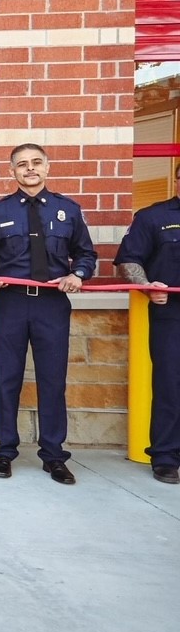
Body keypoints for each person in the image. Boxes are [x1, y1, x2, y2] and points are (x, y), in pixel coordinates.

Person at [0, 143, 96, 485]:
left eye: (36, 163)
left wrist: (78, 275)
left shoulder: (68, 210)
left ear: (47, 168)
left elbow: (86, 254)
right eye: (22, 165)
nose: (30, 169)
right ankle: (3, 452)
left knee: (53, 381)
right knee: (6, 378)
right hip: (10, 303)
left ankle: (54, 457)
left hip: (51, 304)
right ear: (11, 171)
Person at [114, 162, 180, 484]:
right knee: (170, 385)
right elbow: (128, 259)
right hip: (171, 313)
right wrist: (147, 286)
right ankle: (166, 457)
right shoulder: (154, 217)